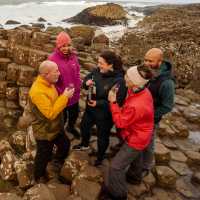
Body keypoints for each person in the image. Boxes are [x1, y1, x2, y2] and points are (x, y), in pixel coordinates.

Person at [100, 65, 154, 200]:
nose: (124, 77)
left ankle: (118, 194)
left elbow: (120, 123)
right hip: (142, 133)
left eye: (128, 77)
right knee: (136, 156)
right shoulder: (141, 90)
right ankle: (134, 178)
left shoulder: (137, 105)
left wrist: (113, 102)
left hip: (136, 138)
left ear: (135, 82)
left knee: (115, 168)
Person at [73, 50, 127, 166]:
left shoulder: (119, 81)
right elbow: (85, 81)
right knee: (84, 127)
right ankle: (84, 144)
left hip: (105, 115)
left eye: (101, 63)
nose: (98, 65)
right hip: (90, 110)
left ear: (110, 65)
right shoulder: (97, 71)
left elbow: (117, 102)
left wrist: (98, 103)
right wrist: (86, 84)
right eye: (98, 62)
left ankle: (100, 156)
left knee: (102, 137)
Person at [28, 60, 74, 183]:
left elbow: (53, 103)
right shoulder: (37, 91)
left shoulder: (49, 83)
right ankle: (38, 177)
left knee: (65, 145)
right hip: (44, 131)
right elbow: (50, 114)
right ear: (45, 74)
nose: (59, 73)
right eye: (56, 71)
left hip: (56, 127)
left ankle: (56, 163)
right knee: (43, 155)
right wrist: (65, 97)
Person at [141, 48, 175, 176]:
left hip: (150, 119)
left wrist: (149, 114)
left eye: (150, 61)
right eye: (145, 60)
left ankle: (146, 166)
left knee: (148, 144)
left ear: (160, 62)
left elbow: (167, 106)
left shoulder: (167, 83)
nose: (146, 63)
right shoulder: (148, 71)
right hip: (139, 114)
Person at [48, 31, 81, 139]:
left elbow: (77, 72)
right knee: (63, 117)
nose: (66, 48)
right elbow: (50, 79)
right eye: (63, 46)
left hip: (74, 94)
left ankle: (70, 127)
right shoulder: (52, 59)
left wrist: (78, 85)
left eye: (68, 45)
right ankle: (60, 135)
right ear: (58, 46)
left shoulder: (73, 57)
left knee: (74, 114)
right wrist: (59, 92)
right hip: (61, 95)